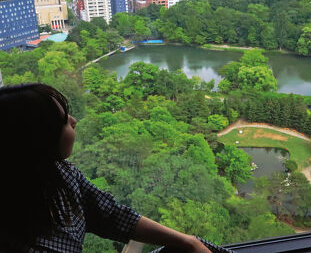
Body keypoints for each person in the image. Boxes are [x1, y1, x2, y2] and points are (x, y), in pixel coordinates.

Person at [0, 83, 212, 253]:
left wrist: (188, 241)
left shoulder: (60, 174)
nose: (74, 121)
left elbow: (111, 214)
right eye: (64, 120)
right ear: (38, 137)